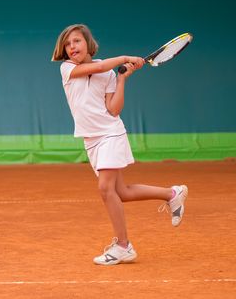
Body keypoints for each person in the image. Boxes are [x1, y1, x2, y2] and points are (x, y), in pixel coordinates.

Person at [51, 24, 188, 266]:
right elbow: (102, 65)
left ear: (88, 43)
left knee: (105, 189)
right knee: (121, 193)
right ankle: (172, 193)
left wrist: (122, 78)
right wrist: (124, 58)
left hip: (110, 134)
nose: (72, 47)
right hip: (91, 140)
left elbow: (113, 109)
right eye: (67, 44)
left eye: (76, 41)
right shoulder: (67, 69)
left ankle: (123, 245)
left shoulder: (109, 73)